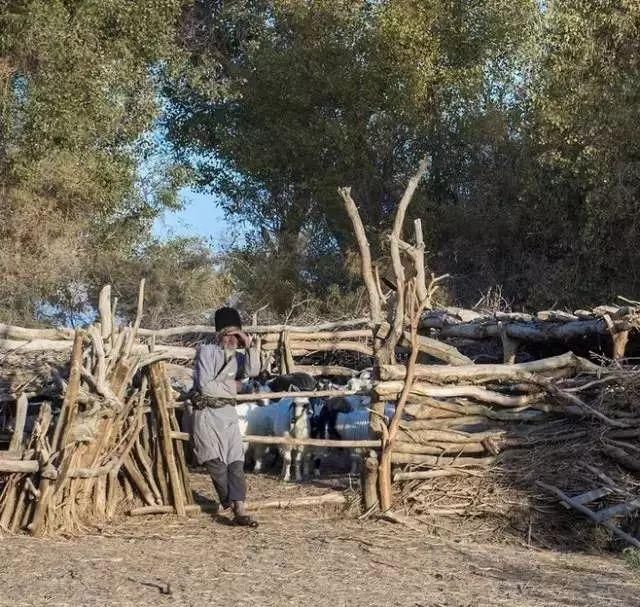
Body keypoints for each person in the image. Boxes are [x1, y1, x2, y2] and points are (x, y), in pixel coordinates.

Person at [190, 306, 260, 527]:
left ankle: (240, 510)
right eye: (227, 334)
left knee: (236, 464)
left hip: (228, 416)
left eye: (235, 335)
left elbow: (255, 372)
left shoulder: (238, 358)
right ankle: (229, 501)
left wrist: (249, 345)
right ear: (218, 335)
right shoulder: (206, 352)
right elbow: (206, 387)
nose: (231, 339)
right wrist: (236, 387)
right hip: (208, 415)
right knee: (216, 464)